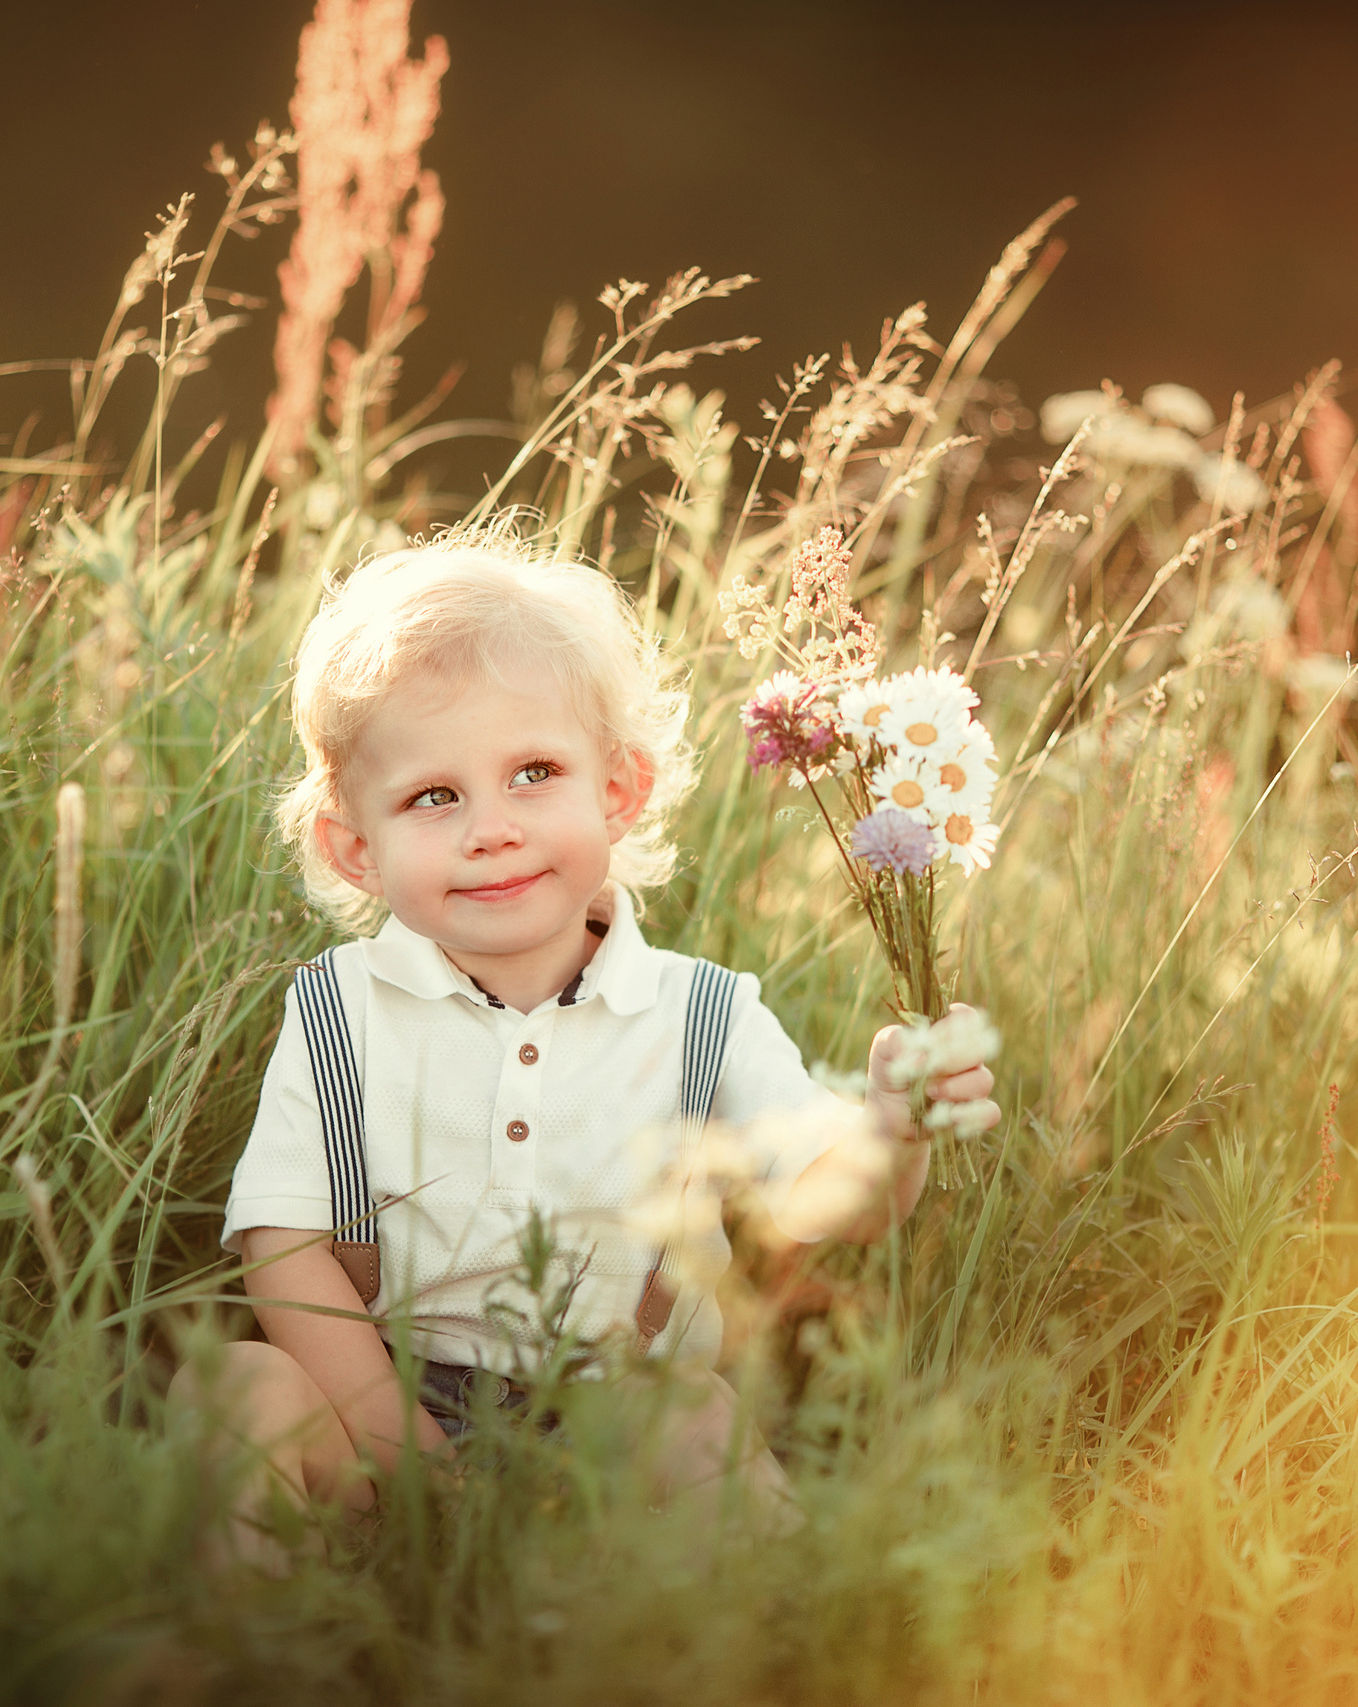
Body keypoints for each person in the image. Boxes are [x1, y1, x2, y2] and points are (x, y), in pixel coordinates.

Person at [175, 526, 998, 1552]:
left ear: (617, 791)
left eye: (533, 772)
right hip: (380, 1408)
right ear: (356, 849)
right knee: (242, 1380)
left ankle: (775, 1650)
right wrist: (402, 1447)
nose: (492, 828)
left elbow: (844, 1205)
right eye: (434, 796)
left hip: (614, 1425)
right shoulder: (339, 1010)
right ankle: (245, 1645)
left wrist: (893, 1129)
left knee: (694, 1416)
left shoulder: (703, 1015)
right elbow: (284, 1245)